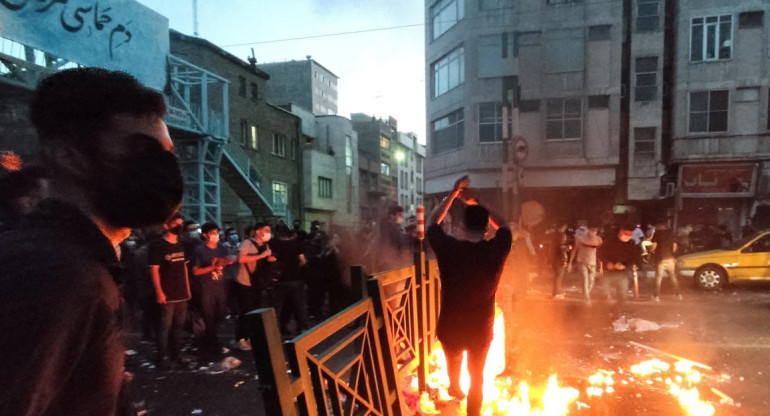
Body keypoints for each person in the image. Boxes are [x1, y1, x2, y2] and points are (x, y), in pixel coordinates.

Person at [0, 68, 183, 415]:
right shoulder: (55, 275)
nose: (162, 168)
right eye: (142, 150)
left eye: (167, 153)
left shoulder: (82, 261)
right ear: (70, 157)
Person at [427, 176, 512, 416]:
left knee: (453, 373)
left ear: (462, 226)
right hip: (480, 329)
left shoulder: (449, 249)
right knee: (477, 379)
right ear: (487, 228)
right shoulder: (496, 250)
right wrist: (478, 200)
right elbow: (505, 225)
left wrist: (454, 193)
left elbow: (433, 223)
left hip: (450, 327)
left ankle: (454, 394)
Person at [148, 214, 192, 370]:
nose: (179, 226)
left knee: (178, 326)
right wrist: (159, 292)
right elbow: (154, 271)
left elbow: (184, 268)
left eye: (180, 223)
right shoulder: (158, 246)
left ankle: (176, 354)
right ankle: (162, 357)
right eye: (175, 223)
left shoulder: (180, 244)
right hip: (167, 294)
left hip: (181, 293)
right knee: (164, 327)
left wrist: (187, 289)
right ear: (166, 226)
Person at [192, 222, 234, 356]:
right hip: (206, 287)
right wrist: (211, 268)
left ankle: (208, 341)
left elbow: (230, 258)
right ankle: (211, 344)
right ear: (205, 235)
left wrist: (227, 261)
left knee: (220, 314)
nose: (216, 235)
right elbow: (195, 271)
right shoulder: (200, 250)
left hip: (220, 286)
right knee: (208, 316)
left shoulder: (221, 248)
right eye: (212, 233)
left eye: (217, 232)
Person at [270, 223, 309, 336]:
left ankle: (273, 330)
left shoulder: (273, 243)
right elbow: (303, 261)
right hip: (296, 278)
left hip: (279, 279)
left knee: (277, 307)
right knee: (299, 305)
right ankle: (303, 328)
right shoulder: (296, 243)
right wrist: (295, 267)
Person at [598, 225, 642, 305]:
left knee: (623, 296)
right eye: (627, 234)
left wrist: (629, 265)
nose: (628, 236)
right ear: (621, 232)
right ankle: (603, 313)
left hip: (622, 274)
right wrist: (607, 263)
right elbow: (600, 253)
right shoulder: (610, 241)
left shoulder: (631, 243)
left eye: (630, 234)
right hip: (608, 273)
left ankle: (619, 312)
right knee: (606, 297)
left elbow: (634, 257)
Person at [568, 222, 603, 306]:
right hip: (582, 261)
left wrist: (601, 265)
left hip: (592, 263)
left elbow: (600, 254)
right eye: (592, 230)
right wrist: (570, 262)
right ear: (589, 229)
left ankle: (585, 294)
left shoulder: (598, 239)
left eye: (595, 230)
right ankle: (587, 299)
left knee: (591, 281)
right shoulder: (581, 238)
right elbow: (575, 250)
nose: (593, 232)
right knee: (585, 280)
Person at [651, 221, 682, 301]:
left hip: (661, 259)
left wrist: (650, 250)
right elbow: (675, 247)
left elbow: (653, 247)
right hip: (670, 258)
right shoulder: (671, 234)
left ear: (659, 226)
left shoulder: (657, 234)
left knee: (658, 278)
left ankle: (656, 296)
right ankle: (678, 295)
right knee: (673, 276)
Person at [550, 222, 569, 298]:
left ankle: (556, 291)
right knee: (559, 276)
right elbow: (562, 249)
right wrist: (564, 260)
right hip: (559, 259)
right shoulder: (562, 235)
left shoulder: (553, 235)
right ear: (563, 227)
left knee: (556, 276)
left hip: (553, 258)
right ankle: (556, 292)